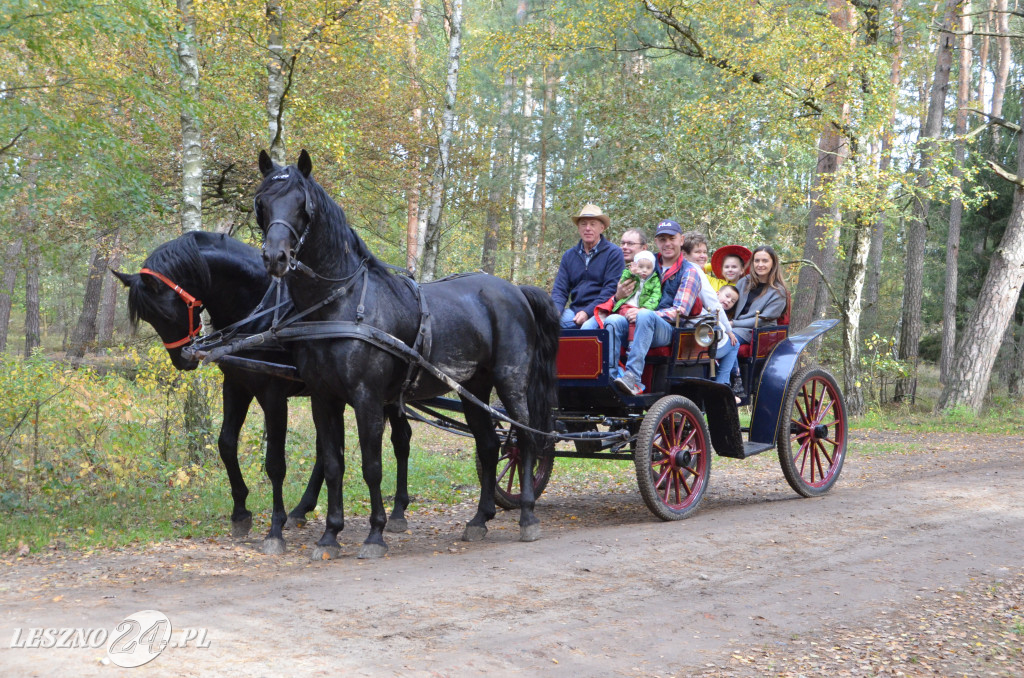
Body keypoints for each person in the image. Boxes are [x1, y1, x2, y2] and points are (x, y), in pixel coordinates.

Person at [605, 219, 702, 396]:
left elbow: (680, 311)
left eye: (671, 238)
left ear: (681, 239)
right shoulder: (645, 263)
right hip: (637, 321)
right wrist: (619, 295)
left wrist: (646, 312)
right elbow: (626, 293)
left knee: (645, 317)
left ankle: (632, 377)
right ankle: (610, 378)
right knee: (612, 320)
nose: (667, 243)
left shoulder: (690, 271)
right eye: (662, 239)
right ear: (656, 242)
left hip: (668, 330)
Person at [551, 204, 625, 329]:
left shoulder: (614, 253)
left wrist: (588, 312)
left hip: (602, 311)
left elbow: (610, 290)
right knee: (545, 323)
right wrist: (555, 311)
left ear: (602, 228)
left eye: (593, 224)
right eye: (583, 224)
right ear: (578, 228)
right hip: (574, 311)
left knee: (587, 329)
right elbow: (560, 289)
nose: (588, 228)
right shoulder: (569, 256)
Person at [681, 232, 739, 388]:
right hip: (696, 329)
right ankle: (723, 385)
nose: (702, 256)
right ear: (685, 254)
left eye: (705, 252)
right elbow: (713, 304)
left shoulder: (677, 268)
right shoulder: (696, 272)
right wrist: (729, 330)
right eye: (697, 252)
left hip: (686, 325)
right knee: (734, 344)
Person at [731, 245, 789, 346]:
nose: (760, 264)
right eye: (757, 261)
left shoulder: (779, 292)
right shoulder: (743, 282)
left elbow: (762, 321)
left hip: (758, 332)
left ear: (773, 264)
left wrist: (733, 324)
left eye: (765, 261)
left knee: (727, 341)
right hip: (734, 326)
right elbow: (731, 304)